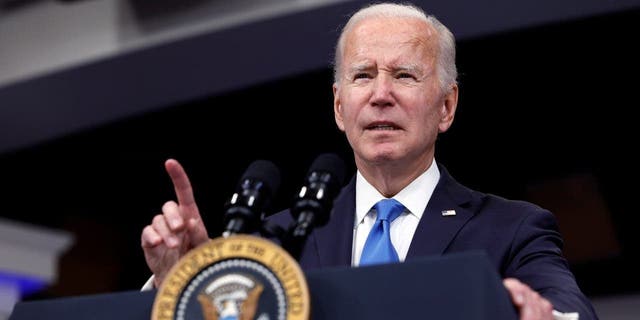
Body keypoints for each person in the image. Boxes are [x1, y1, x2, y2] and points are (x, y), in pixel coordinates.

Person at [141, 3, 598, 319]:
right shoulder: (277, 242)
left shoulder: (513, 230)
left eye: (404, 75)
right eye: (363, 76)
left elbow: (570, 311)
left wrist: (543, 316)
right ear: (340, 107)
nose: (381, 95)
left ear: (446, 106)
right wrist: (188, 278)